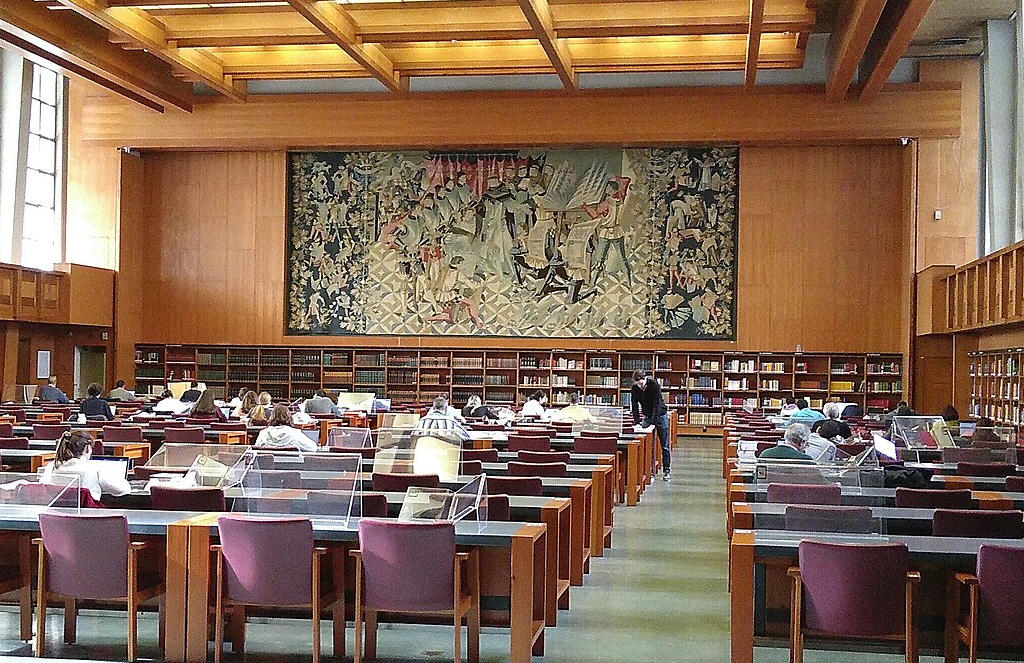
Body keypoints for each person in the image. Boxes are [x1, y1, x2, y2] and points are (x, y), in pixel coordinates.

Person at [40, 430, 131, 501]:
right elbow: (122, 490)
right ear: (87, 448)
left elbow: (43, 486)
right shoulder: (95, 468)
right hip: (88, 520)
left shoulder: (51, 467)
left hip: (55, 519)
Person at [630, 369, 671, 482]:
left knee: (665, 445)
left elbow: (657, 402)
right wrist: (637, 420)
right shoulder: (634, 388)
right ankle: (650, 472)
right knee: (648, 446)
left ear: (645, 379)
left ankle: (667, 471)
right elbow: (634, 404)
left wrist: (654, 420)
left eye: (641, 383)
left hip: (660, 415)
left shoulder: (653, 384)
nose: (640, 385)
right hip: (647, 416)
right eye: (637, 384)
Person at [254, 404, 318, 452]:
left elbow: (256, 450)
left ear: (271, 417)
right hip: (292, 468)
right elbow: (312, 448)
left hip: (266, 468)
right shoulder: (294, 433)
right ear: (289, 417)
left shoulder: (263, 433)